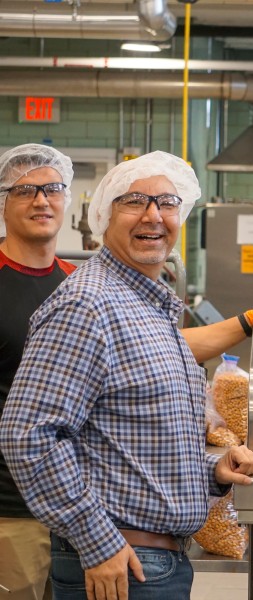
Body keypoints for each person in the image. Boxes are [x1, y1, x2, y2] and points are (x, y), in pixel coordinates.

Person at [0, 151, 253, 600]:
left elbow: (130, 444)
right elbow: (28, 435)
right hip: (119, 563)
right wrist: (98, 542)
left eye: (167, 202)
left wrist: (211, 472)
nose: (153, 215)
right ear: (103, 216)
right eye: (134, 201)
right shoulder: (88, 304)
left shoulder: (148, 306)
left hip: (154, 561)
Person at [0, 143, 76, 600]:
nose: (42, 200)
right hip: (9, 512)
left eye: (52, 189)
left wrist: (243, 324)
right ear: (3, 202)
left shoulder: (75, 283)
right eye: (25, 191)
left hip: (76, 510)